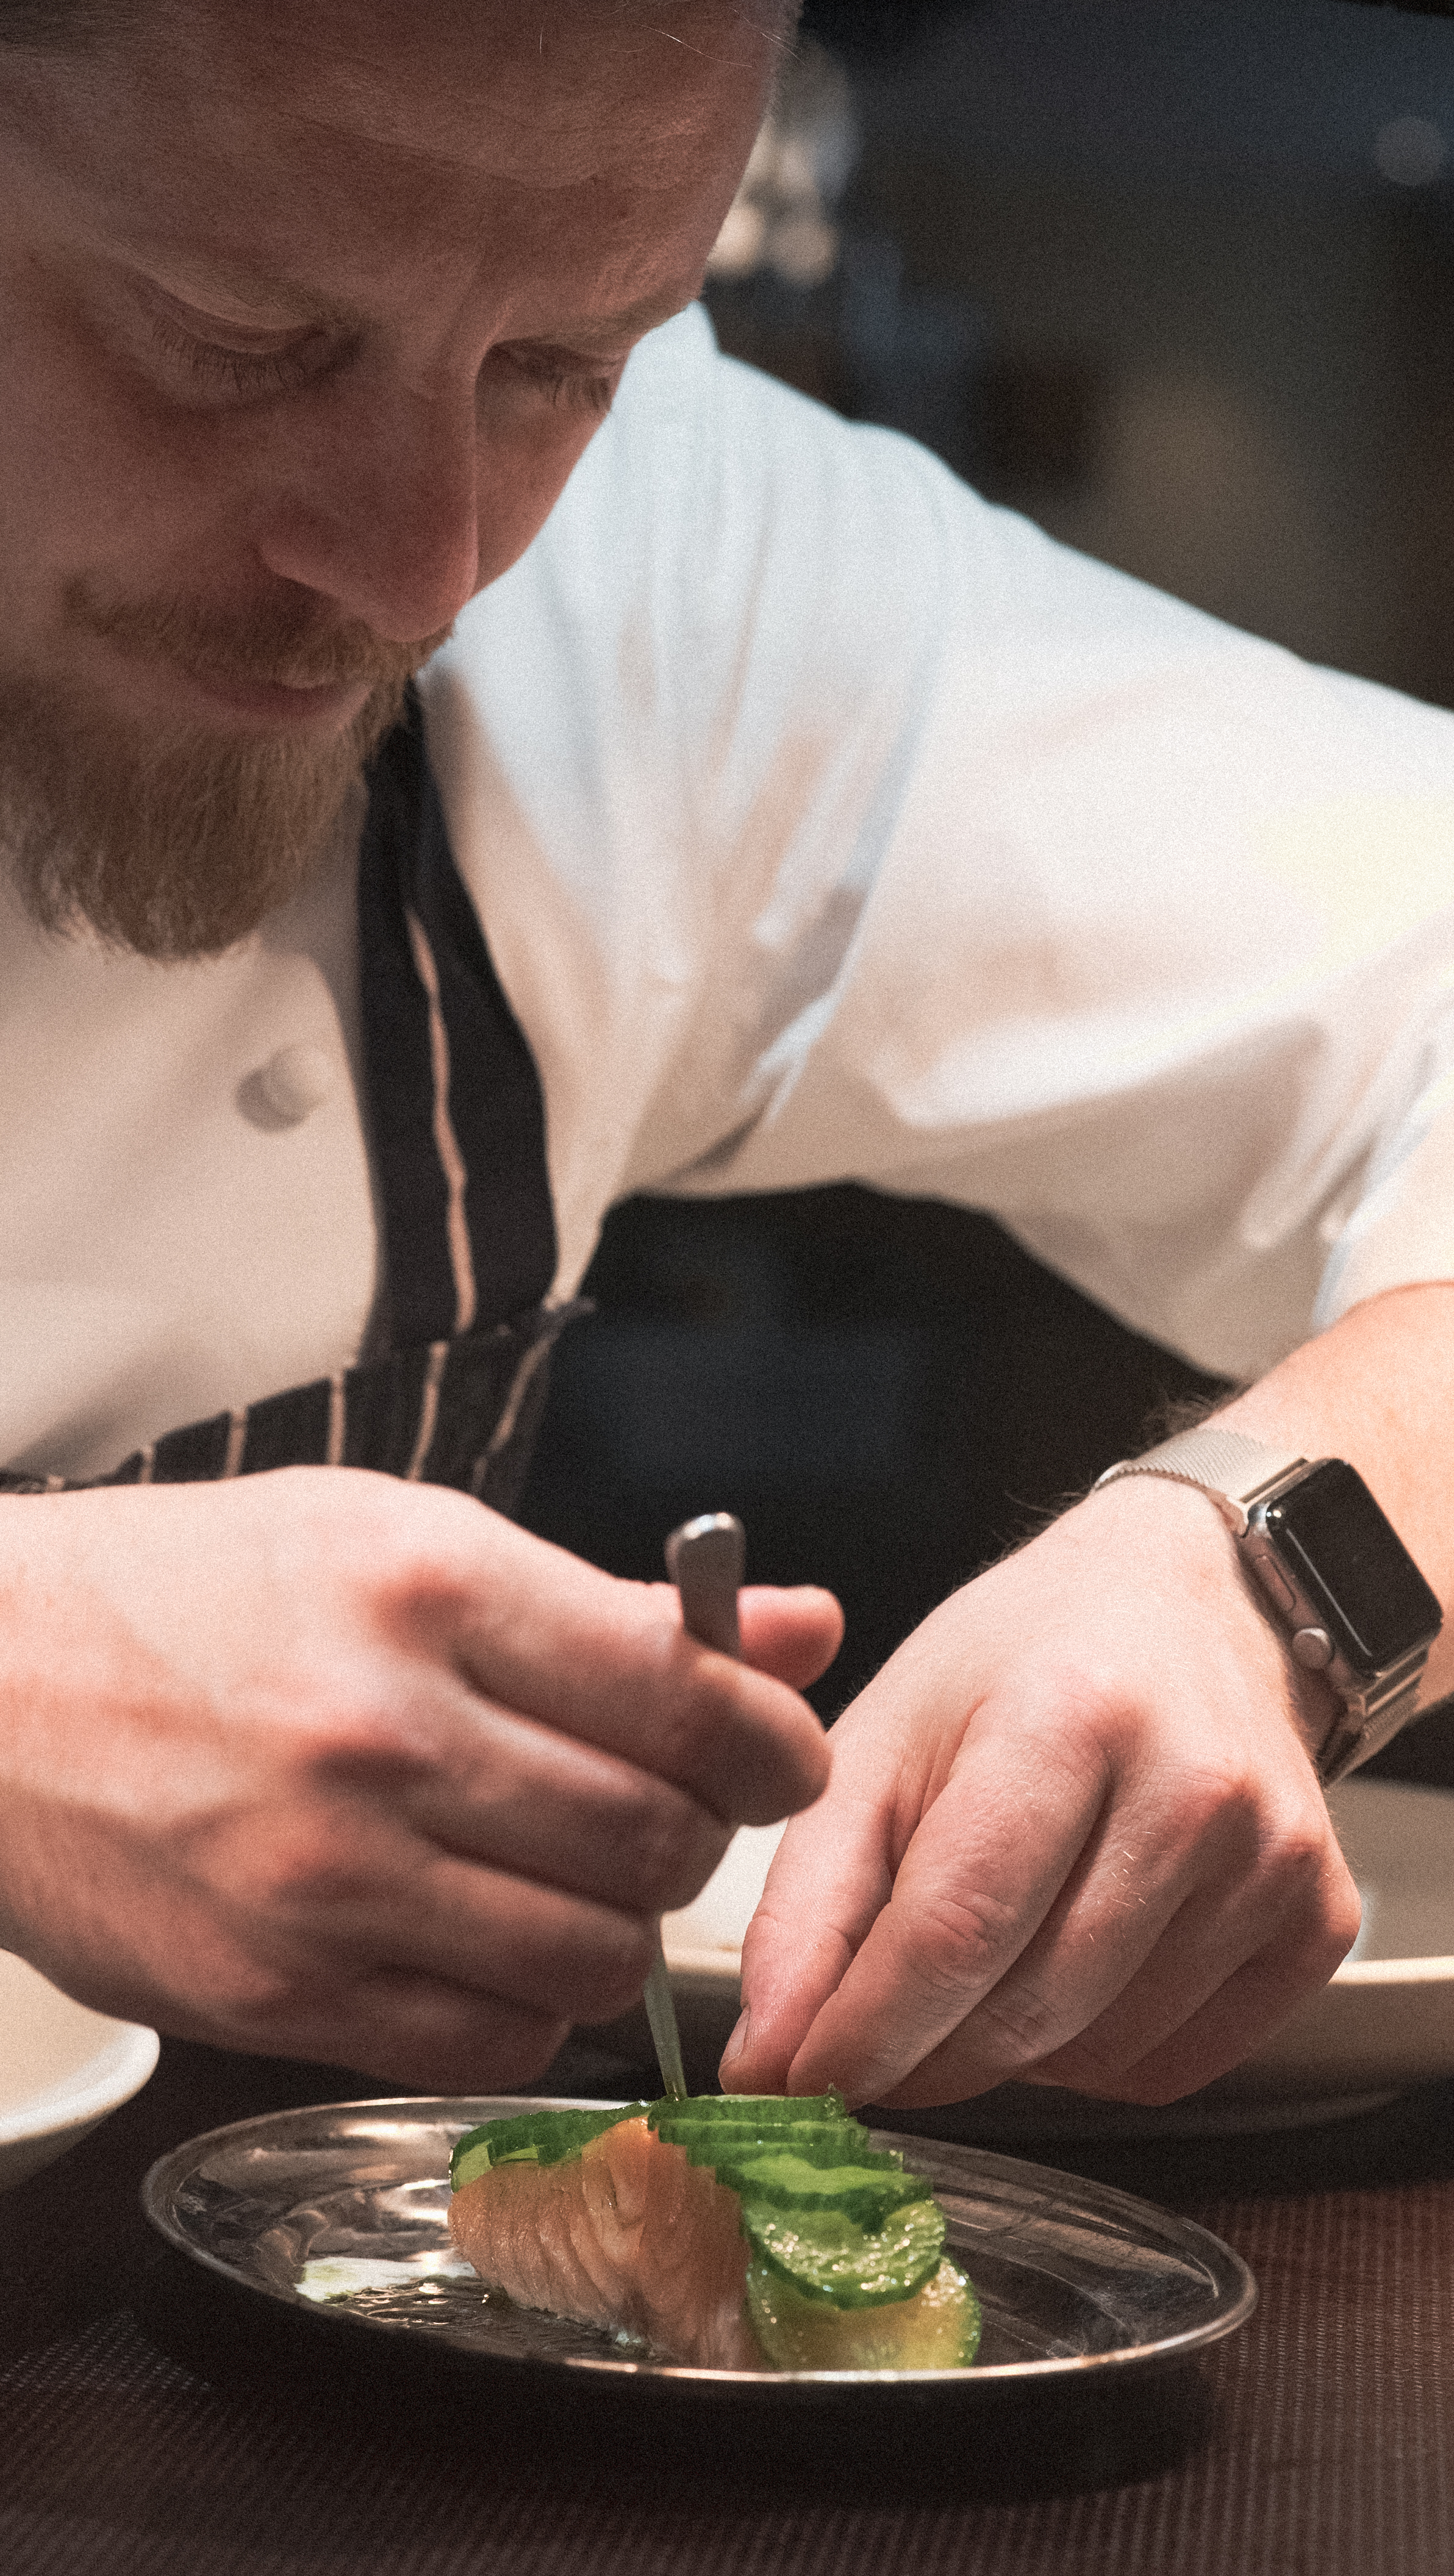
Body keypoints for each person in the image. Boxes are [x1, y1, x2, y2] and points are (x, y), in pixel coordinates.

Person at [1, 0, 1451, 2118]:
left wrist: (1263, 1565)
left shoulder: (656, 580)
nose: (426, 564)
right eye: (233, 333)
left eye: (568, 363)